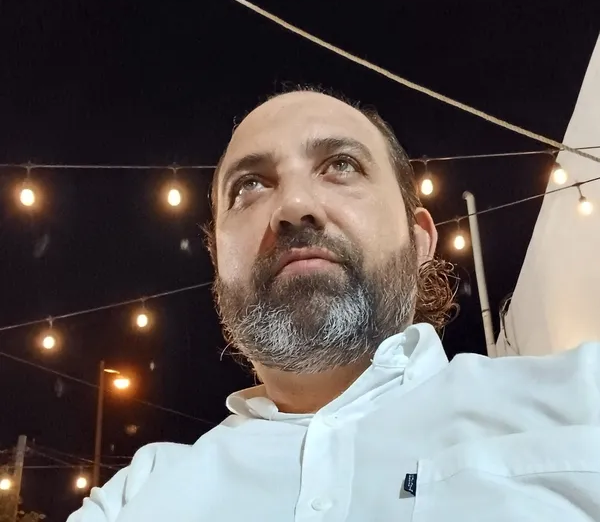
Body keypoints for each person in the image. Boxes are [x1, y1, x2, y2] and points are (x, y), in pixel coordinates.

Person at [68, 89, 600, 522]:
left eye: (341, 165)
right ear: (218, 262)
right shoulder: (136, 495)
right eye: (249, 185)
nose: (294, 206)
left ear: (418, 240)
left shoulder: (581, 397)